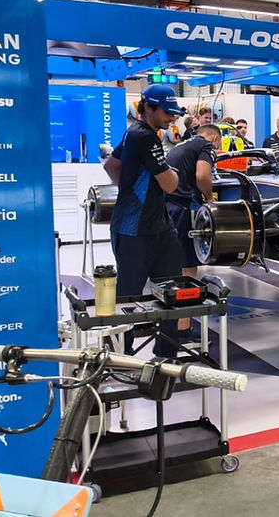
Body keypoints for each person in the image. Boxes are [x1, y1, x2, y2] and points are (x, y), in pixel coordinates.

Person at [102, 84, 183, 358]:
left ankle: (160, 356)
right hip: (134, 230)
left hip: (159, 227)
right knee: (129, 298)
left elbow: (111, 165)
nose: (172, 118)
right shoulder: (145, 137)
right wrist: (171, 173)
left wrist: (131, 189)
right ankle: (122, 357)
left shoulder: (133, 132)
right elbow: (170, 184)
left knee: (169, 292)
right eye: (167, 112)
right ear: (148, 107)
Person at [165, 124, 221, 341]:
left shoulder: (181, 145)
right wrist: (209, 197)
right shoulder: (206, 146)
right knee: (188, 269)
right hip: (184, 209)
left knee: (171, 267)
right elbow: (202, 175)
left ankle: (169, 325)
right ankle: (182, 330)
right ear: (214, 138)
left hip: (167, 207)